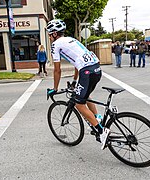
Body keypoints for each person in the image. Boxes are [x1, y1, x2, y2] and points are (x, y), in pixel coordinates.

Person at [46, 19, 110, 149]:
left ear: (54, 34)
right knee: (86, 95)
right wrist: (75, 81)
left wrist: (54, 88)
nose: (49, 37)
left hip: (87, 72)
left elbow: (57, 70)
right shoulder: (72, 40)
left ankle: (101, 131)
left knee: (78, 104)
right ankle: (96, 118)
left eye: (49, 34)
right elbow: (77, 63)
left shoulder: (56, 45)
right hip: (96, 69)